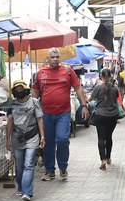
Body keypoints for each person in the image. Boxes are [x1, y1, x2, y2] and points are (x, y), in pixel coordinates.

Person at [31, 47, 89, 181]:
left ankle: (63, 167)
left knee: (62, 139)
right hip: (46, 113)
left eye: (57, 57)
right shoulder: (40, 73)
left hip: (63, 112)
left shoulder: (68, 71)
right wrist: (33, 109)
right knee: (48, 142)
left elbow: (78, 88)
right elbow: (35, 92)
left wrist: (84, 106)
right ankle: (50, 170)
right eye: (52, 57)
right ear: (48, 58)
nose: (55, 59)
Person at [6, 80, 45, 201]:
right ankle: (21, 186)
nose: (19, 91)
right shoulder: (11, 104)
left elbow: (39, 119)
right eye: (16, 90)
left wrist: (42, 137)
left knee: (29, 164)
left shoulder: (34, 102)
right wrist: (7, 139)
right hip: (17, 138)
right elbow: (10, 122)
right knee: (19, 166)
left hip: (32, 137)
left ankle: (27, 192)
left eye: (21, 89)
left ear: (26, 90)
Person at [89, 68, 121, 170]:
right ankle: (108, 157)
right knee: (109, 137)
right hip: (113, 116)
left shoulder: (98, 87)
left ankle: (103, 160)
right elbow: (116, 99)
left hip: (100, 115)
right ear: (110, 76)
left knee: (101, 138)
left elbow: (90, 99)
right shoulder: (115, 88)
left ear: (100, 76)